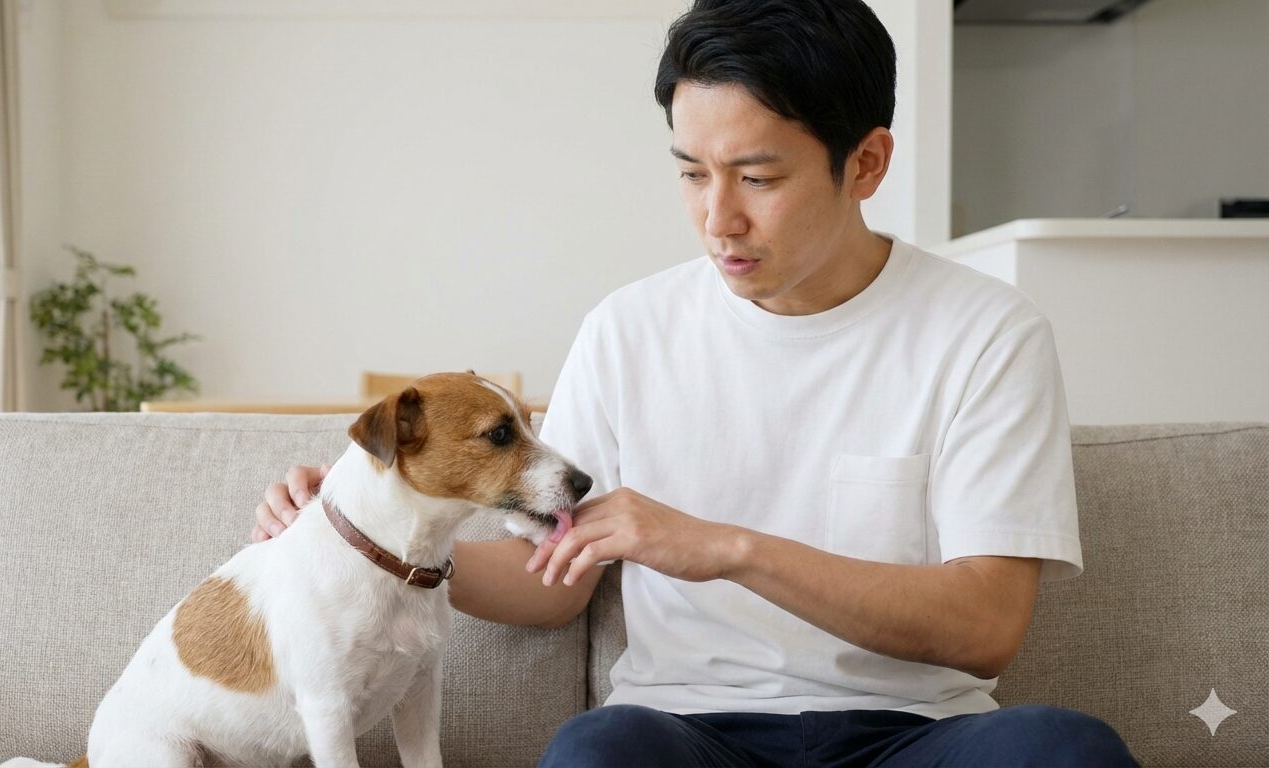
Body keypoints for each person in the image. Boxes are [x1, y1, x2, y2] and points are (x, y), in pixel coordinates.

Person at [253, 0, 1139, 764]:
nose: (718, 219)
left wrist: (728, 548)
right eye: (690, 173)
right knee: (595, 752)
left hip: (918, 734)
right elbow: (548, 579)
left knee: (1065, 750)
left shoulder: (986, 331)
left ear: (865, 163)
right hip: (687, 733)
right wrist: (364, 540)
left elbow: (985, 628)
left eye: (758, 177)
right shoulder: (629, 328)